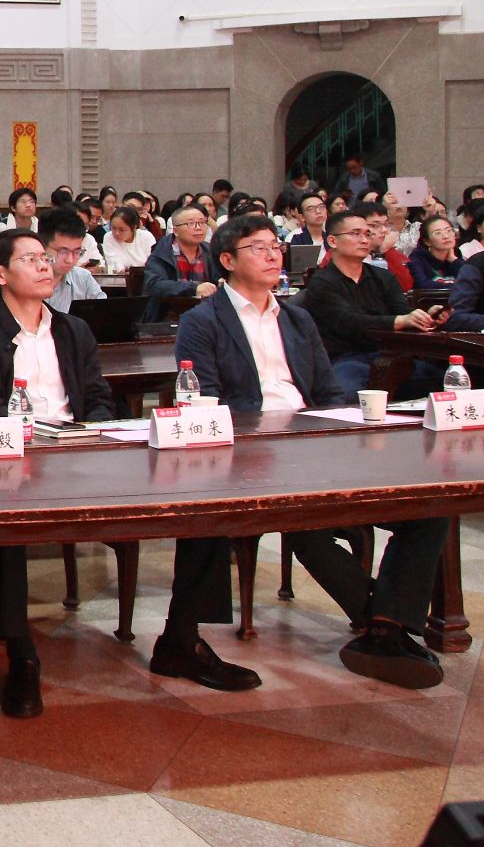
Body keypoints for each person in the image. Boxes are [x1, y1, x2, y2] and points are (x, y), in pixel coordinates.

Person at [174, 214, 449, 690]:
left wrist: (335, 436)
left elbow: (328, 392)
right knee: (309, 525)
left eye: (275, 246)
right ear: (228, 260)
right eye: (258, 248)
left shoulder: (298, 318)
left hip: (312, 442)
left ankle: (385, 624)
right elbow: (207, 400)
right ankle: (384, 624)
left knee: (429, 503)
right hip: (250, 454)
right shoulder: (203, 321)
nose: (272, 255)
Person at [0, 229, 125, 718]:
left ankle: (181, 634)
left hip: (76, 455)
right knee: (6, 517)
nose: (46, 266)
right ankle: (21, 652)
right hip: (14, 461)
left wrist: (93, 435)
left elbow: (98, 398)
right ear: (0, 274)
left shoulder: (74, 330)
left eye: (45, 258)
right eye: (30, 259)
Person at [298, 210, 440, 392]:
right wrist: (399, 321)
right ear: (332, 241)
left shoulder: (384, 277)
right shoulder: (322, 282)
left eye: (367, 234)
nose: (364, 240)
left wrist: (425, 318)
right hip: (346, 357)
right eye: (355, 234)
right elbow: (347, 321)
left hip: (390, 354)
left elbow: (403, 314)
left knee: (443, 381)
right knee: (345, 392)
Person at [0, 207, 103, 315]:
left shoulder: (83, 278)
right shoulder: (13, 280)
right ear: (42, 245)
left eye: (77, 252)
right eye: (63, 252)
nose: (70, 260)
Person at [140, 205, 222, 321]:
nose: (198, 228)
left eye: (202, 222)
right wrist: (194, 288)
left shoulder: (210, 252)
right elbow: (154, 285)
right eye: (191, 224)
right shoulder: (161, 253)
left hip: (206, 316)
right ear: (175, 230)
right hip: (168, 317)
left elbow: (221, 279)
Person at [407, 215, 465, 290]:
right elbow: (422, 285)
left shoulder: (456, 254)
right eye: (438, 233)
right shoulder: (417, 259)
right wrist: (459, 286)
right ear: (427, 241)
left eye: (449, 231)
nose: (446, 236)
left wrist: (454, 260)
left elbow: (472, 280)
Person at [101, 204, 155, 274]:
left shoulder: (146, 236)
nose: (116, 233)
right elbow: (115, 266)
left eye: (122, 230)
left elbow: (154, 264)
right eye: (113, 228)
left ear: (134, 228)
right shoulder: (109, 237)